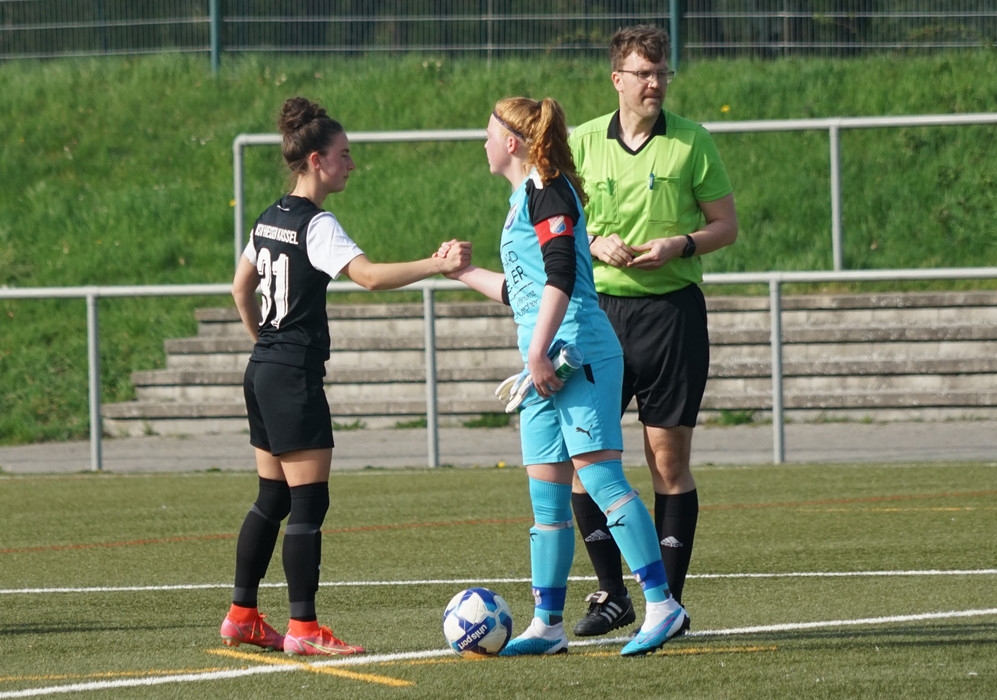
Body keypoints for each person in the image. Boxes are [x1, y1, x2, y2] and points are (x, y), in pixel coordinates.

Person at [221, 96, 471, 657]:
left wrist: (265, 345)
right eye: (344, 154)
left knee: (271, 498)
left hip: (262, 371)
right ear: (316, 160)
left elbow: (240, 288)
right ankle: (304, 629)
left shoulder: (269, 216)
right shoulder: (317, 224)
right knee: (308, 504)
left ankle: (242, 615)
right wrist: (438, 265)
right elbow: (371, 277)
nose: (351, 164)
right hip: (291, 375)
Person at [439, 96, 687, 657]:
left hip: (577, 354)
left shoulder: (548, 190)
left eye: (488, 133)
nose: (483, 142)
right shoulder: (521, 200)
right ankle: (547, 625)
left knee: (602, 481)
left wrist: (537, 354)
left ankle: (662, 605)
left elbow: (561, 276)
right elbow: (522, 290)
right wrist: (465, 272)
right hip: (545, 364)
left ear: (512, 143)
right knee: (546, 500)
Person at [567, 24, 739, 638]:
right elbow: (555, 222)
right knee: (585, 459)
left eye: (662, 72)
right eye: (644, 73)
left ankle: (668, 606)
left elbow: (725, 225)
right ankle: (612, 595)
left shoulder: (692, 141)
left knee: (667, 460)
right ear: (617, 78)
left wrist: (680, 243)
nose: (656, 83)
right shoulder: (581, 142)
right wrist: (593, 241)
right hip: (598, 317)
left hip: (672, 316)